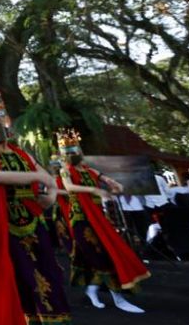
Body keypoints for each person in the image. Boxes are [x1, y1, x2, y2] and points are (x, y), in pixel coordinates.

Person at [0, 90, 71, 325]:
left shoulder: (22, 154)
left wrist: (49, 195)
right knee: (20, 278)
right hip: (4, 224)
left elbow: (48, 181)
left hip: (32, 221)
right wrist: (40, 178)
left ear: (7, 124)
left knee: (46, 273)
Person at [59, 129, 150, 314]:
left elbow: (107, 179)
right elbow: (69, 187)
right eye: (70, 152)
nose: (74, 155)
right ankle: (118, 298)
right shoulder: (65, 171)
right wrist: (93, 190)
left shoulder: (90, 170)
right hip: (80, 218)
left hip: (97, 216)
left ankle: (93, 290)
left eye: (76, 151)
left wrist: (115, 184)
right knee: (99, 255)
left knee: (107, 252)